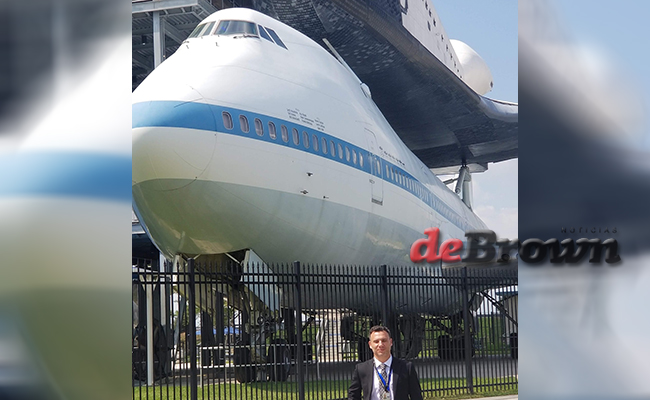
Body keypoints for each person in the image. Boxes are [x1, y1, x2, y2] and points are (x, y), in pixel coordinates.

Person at [348, 325, 423, 400]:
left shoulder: (406, 368)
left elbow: (416, 396)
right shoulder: (361, 369)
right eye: (376, 341)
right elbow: (353, 396)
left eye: (384, 340)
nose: (380, 344)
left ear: (391, 342)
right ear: (370, 345)